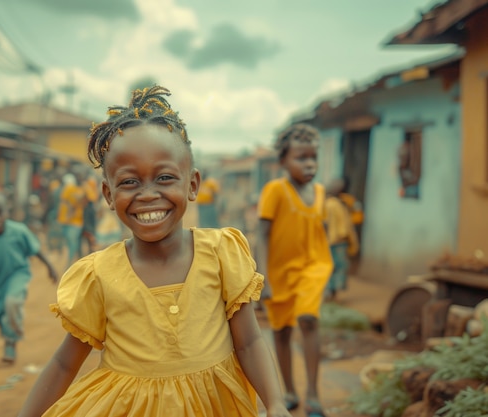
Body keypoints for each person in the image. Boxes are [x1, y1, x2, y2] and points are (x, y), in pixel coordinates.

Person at [18, 86, 290, 417]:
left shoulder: (220, 254)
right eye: (130, 182)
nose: (148, 194)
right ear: (108, 192)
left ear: (192, 184)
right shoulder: (100, 274)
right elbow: (64, 363)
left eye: (164, 178)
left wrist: (275, 403)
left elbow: (248, 342)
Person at [256, 123, 333, 417]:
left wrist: (327, 268)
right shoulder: (275, 190)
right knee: (282, 331)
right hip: (279, 272)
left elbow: (321, 230)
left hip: (314, 266)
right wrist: (263, 277)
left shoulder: (321, 193)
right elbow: (262, 235)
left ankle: (313, 394)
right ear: (283, 161)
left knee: (308, 319)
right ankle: (289, 391)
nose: (310, 163)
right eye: (301, 157)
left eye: (313, 157)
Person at [0, 191, 57, 363]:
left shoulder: (19, 231)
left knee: (12, 303)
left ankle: (11, 343)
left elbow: (36, 249)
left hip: (17, 275)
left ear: (7, 211)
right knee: (1, 313)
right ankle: (8, 338)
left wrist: (50, 267)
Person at [323, 179, 359, 301]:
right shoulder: (334, 205)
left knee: (331, 268)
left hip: (330, 242)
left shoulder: (333, 203)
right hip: (337, 242)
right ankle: (330, 294)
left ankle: (330, 294)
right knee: (336, 268)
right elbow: (344, 227)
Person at [56, 173, 86, 266]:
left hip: (70, 222)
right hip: (74, 222)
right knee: (73, 243)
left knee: (70, 243)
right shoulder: (81, 190)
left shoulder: (69, 189)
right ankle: (72, 261)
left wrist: (67, 216)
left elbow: (70, 205)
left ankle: (70, 262)